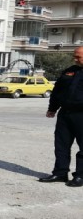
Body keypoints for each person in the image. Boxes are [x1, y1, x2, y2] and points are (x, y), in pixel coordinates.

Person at [38, 46, 83, 187]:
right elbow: (57, 91)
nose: (75, 59)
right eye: (74, 56)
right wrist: (52, 108)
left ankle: (80, 176)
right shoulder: (70, 71)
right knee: (61, 145)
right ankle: (60, 173)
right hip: (65, 114)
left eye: (78, 57)